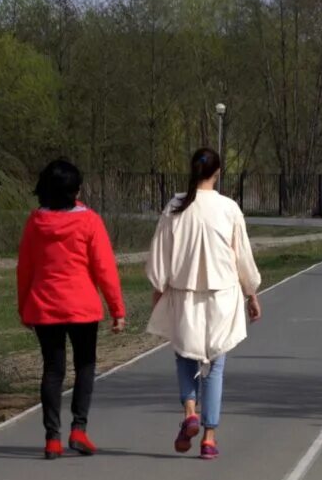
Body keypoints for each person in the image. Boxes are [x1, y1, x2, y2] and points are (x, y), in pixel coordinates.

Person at [145, 148, 262, 460]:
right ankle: (209, 437)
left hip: (184, 295)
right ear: (218, 172)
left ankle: (190, 411)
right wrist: (251, 293)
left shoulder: (175, 206)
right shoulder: (229, 208)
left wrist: (158, 290)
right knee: (215, 367)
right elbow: (242, 256)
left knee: (185, 355)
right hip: (222, 295)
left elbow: (160, 256)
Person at [17, 159, 126, 460]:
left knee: (53, 370)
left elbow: (25, 268)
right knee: (85, 366)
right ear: (75, 191)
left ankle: (52, 438)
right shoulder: (90, 221)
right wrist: (117, 308)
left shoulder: (35, 222)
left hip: (44, 305)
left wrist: (23, 306)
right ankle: (79, 429)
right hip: (82, 306)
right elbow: (104, 268)